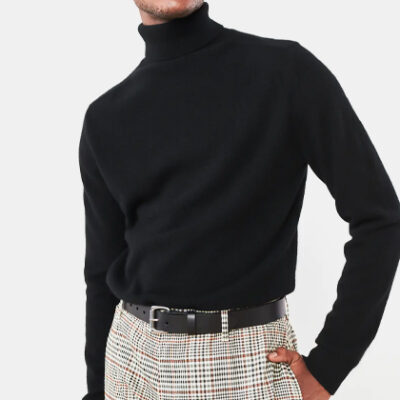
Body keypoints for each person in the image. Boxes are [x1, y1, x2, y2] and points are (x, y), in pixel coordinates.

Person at [78, 1, 400, 399]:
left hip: (243, 363)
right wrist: (96, 393)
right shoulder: (104, 118)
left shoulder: (285, 73)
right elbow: (101, 275)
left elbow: (379, 220)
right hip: (129, 359)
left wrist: (330, 366)